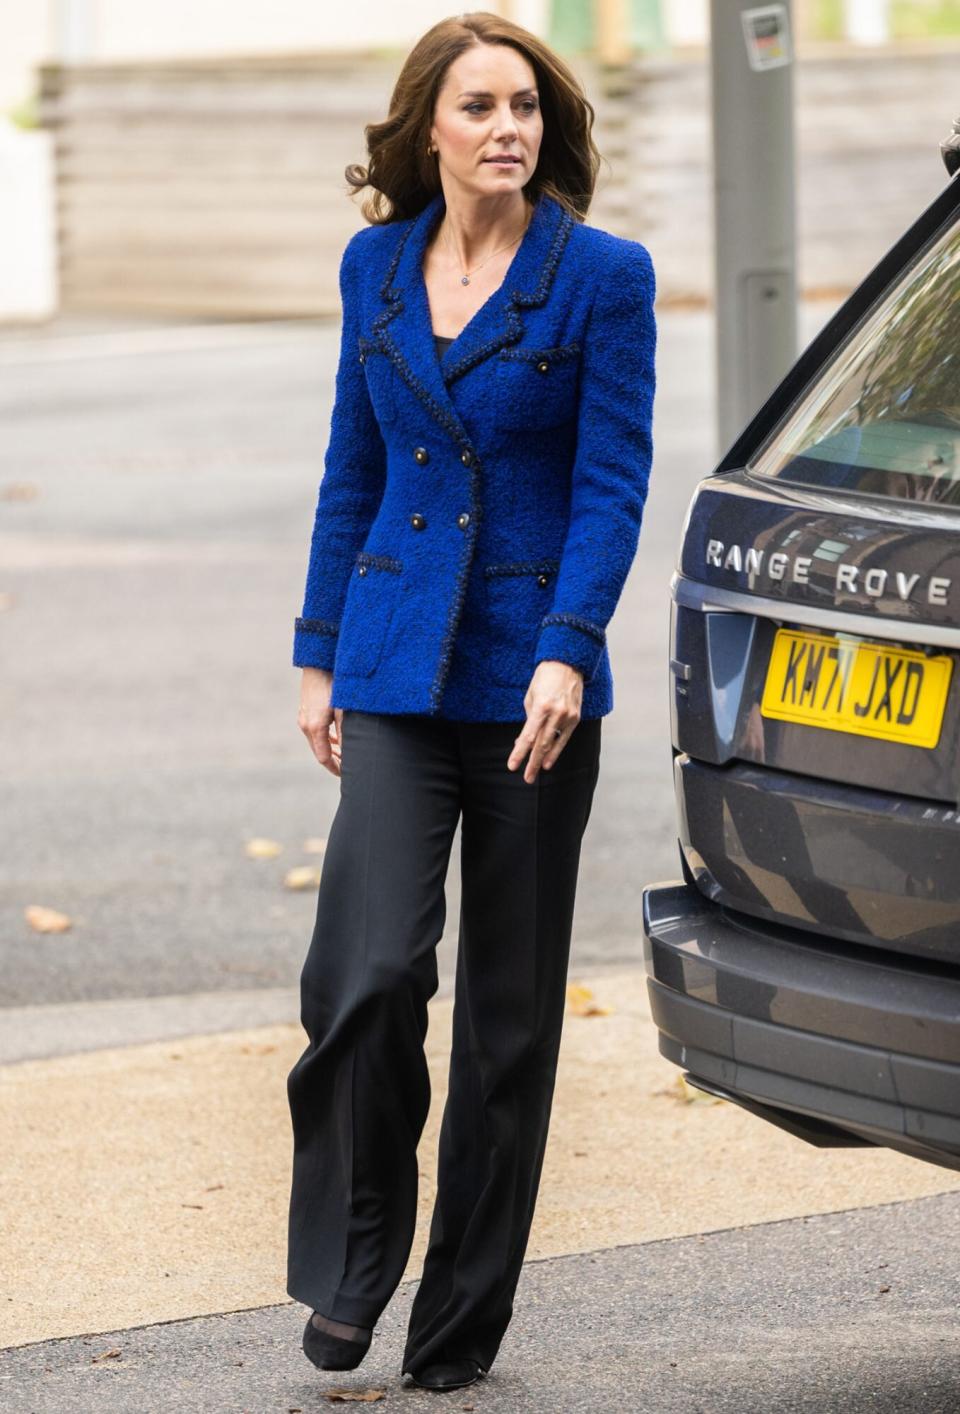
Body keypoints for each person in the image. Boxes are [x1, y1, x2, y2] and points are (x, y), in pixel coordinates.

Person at [285, 10, 656, 1395]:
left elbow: (615, 483)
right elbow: (350, 463)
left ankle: (457, 1325)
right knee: (366, 974)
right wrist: (318, 649)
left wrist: (568, 643)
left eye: (526, 107)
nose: (508, 126)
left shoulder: (601, 279)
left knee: (506, 1023)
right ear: (427, 128)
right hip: (388, 663)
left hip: (530, 685)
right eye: (480, 105)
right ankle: (356, 1253)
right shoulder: (374, 266)